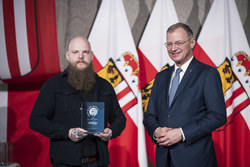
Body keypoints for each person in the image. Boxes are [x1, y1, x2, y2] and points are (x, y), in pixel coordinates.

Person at [29, 36, 126, 167]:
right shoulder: (53, 85)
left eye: (85, 52)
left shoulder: (104, 86)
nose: (80, 56)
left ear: (91, 55)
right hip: (66, 163)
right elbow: (35, 120)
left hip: (98, 162)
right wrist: (67, 132)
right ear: (68, 55)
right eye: (75, 52)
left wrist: (111, 131)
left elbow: (120, 118)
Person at [143, 22, 227, 167]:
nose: (173, 48)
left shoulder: (208, 74)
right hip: (164, 159)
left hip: (195, 159)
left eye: (179, 43)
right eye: (169, 44)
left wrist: (182, 133)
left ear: (192, 42)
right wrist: (156, 131)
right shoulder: (160, 77)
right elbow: (149, 115)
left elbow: (217, 116)